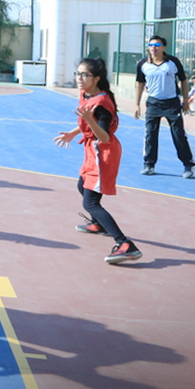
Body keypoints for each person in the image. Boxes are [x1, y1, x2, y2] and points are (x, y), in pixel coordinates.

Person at [55, 58, 142, 264]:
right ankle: (98, 224)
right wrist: (73, 132)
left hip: (103, 153)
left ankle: (125, 244)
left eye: (84, 75)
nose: (79, 78)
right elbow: (88, 124)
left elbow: (104, 136)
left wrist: (89, 121)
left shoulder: (102, 103)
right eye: (77, 73)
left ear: (96, 79)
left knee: (90, 202)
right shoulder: (87, 94)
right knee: (81, 185)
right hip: (92, 151)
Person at [134, 35, 195, 179]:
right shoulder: (143, 64)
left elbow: (184, 81)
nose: (153, 47)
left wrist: (185, 100)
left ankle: (188, 165)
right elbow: (139, 84)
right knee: (150, 134)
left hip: (172, 103)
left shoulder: (172, 62)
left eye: (157, 45)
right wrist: (137, 104)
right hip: (153, 103)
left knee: (178, 134)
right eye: (151, 45)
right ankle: (149, 164)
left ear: (164, 47)